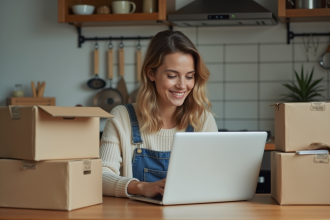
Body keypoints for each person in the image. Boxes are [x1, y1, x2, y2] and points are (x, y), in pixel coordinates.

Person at [100, 30, 218, 198]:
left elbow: (214, 178)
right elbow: (100, 177)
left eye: (190, 76)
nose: (182, 85)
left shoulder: (203, 120)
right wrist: (140, 187)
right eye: (172, 76)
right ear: (151, 73)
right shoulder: (121, 117)